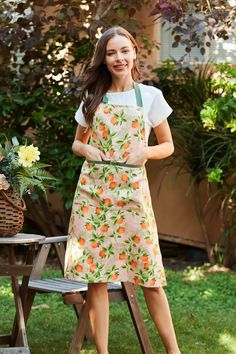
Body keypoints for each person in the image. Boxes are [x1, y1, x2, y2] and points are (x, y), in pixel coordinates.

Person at [64, 26, 181, 354]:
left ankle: (174, 351)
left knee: (149, 275)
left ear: (133, 53)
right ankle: (102, 352)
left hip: (132, 197)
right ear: (104, 59)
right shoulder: (93, 97)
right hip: (95, 195)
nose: (119, 58)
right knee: (97, 278)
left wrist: (147, 152)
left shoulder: (150, 97)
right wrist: (85, 149)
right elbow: (77, 142)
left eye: (124, 51)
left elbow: (168, 145)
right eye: (111, 53)